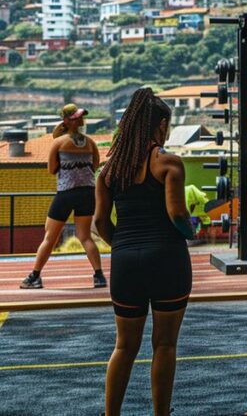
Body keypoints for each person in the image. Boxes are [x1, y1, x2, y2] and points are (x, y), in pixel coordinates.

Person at [94, 88, 194, 416]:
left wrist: (122, 244)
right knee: (164, 345)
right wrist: (192, 234)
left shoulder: (108, 172)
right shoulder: (168, 163)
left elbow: (99, 222)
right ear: (161, 125)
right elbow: (177, 215)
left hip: (126, 261)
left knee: (124, 346)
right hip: (166, 258)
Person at [20, 104, 106, 290]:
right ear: (69, 120)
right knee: (85, 237)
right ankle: (99, 276)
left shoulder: (59, 143)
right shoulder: (90, 142)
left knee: (50, 236)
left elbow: (51, 170)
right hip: (87, 192)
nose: (80, 120)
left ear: (65, 121)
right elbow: (95, 165)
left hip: (66, 193)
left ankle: (34, 276)